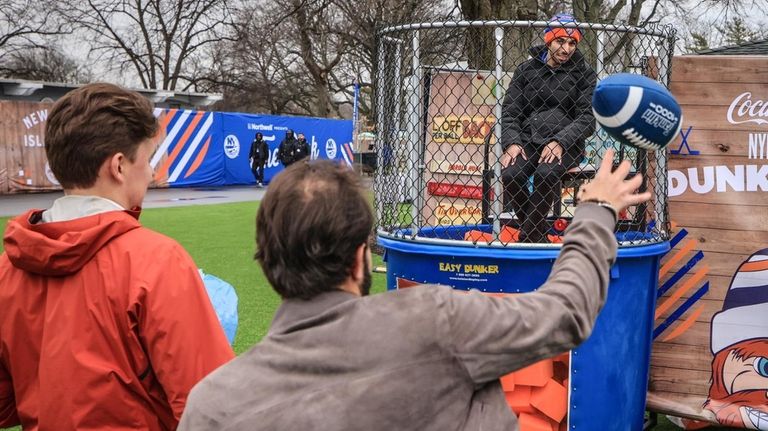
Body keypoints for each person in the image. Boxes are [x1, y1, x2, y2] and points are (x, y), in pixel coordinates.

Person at [179, 149, 650, 431]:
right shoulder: (431, 321)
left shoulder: (213, 406)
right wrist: (596, 211)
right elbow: (566, 311)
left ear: (268, 263)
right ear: (360, 258)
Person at [0, 83, 235, 430]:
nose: (153, 172)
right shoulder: (158, 262)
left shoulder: (7, 269)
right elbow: (213, 408)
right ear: (119, 166)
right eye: (148, 158)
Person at [500, 13, 597, 243]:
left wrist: (560, 141)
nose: (567, 48)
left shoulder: (584, 74)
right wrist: (512, 142)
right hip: (529, 139)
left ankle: (528, 236)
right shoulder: (526, 70)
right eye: (560, 41)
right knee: (511, 175)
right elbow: (511, 112)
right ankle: (536, 235)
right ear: (548, 41)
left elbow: (587, 118)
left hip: (566, 143)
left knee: (546, 173)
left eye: (572, 43)